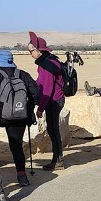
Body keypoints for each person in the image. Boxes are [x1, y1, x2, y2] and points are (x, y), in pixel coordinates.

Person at [0, 50, 38, 186]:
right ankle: (22, 176)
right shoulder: (23, 74)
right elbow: (36, 95)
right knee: (16, 145)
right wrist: (27, 109)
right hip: (20, 116)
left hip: (1, 116)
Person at [26, 33, 66, 171]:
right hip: (56, 99)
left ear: (39, 50)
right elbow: (41, 82)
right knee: (53, 129)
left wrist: (40, 108)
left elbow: (47, 88)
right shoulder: (50, 61)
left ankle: (58, 161)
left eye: (31, 51)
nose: (30, 53)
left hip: (54, 101)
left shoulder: (46, 65)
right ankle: (57, 159)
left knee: (53, 130)